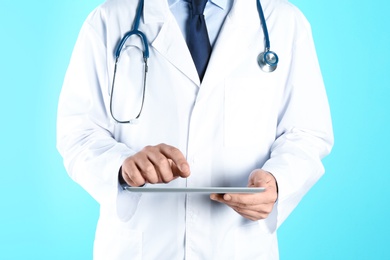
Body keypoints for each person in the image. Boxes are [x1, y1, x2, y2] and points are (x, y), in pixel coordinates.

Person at [57, 0, 333, 259]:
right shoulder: (110, 19)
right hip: (142, 247)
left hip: (237, 246)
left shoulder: (284, 22)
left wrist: (278, 181)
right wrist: (121, 166)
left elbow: (306, 133)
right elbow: (78, 132)